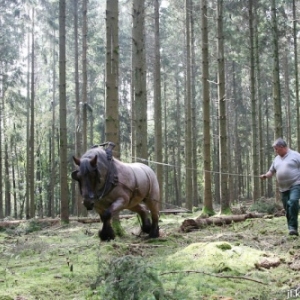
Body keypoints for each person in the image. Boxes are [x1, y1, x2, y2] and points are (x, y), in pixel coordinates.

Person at [260, 138, 300, 236]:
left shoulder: (296, 155)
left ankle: (293, 228)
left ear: (282, 147)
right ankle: (291, 226)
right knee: (287, 208)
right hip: (283, 188)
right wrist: (265, 176)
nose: (275, 151)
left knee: (293, 202)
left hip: (296, 184)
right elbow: (272, 171)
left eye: (276, 149)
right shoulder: (276, 159)